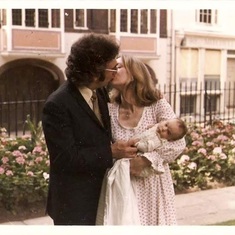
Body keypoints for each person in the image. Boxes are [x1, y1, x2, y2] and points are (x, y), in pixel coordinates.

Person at [41, 34, 138, 225]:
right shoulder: (57, 105)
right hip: (73, 204)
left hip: (100, 196)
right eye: (113, 67)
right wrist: (111, 152)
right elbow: (66, 159)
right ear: (95, 70)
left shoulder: (99, 90)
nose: (116, 72)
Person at [107, 54, 186, 225]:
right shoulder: (109, 109)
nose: (113, 70)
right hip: (123, 186)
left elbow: (179, 142)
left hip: (153, 187)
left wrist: (146, 160)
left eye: (118, 67)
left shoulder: (157, 104)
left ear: (134, 73)